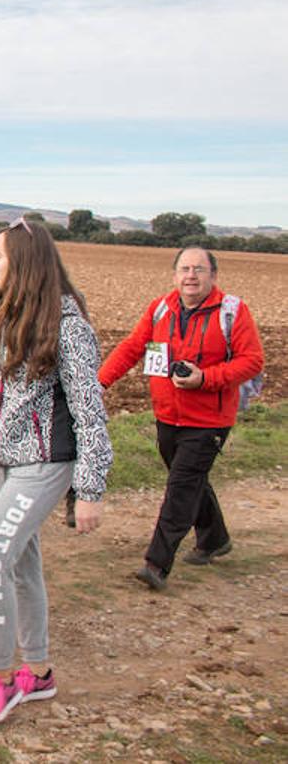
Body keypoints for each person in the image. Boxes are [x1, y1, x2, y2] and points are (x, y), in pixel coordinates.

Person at [0, 219, 113, 725]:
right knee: (19, 564)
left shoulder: (69, 327)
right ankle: (37, 672)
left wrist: (90, 488)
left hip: (44, 465)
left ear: (25, 261)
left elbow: (89, 410)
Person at [98, 245, 264, 591]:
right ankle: (215, 538)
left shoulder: (232, 312)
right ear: (175, 275)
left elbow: (252, 361)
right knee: (188, 480)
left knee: (180, 487)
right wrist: (101, 383)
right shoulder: (161, 309)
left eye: (199, 269)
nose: (191, 275)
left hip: (209, 419)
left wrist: (205, 378)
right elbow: (132, 347)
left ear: (213, 276)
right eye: (185, 269)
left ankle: (156, 563)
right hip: (168, 416)